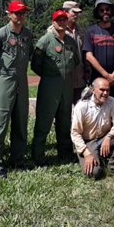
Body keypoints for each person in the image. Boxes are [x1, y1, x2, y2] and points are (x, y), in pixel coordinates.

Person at [0, 0, 34, 178]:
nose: (21, 16)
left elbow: (30, 55)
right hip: (4, 80)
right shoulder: (0, 35)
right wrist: (2, 74)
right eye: (17, 13)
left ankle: (18, 159)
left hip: (22, 80)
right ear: (9, 14)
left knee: (20, 121)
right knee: (0, 121)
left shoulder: (27, 34)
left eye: (23, 13)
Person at [32, 10, 81, 166]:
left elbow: (76, 61)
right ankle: (38, 156)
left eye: (63, 20)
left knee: (64, 120)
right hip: (49, 85)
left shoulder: (71, 42)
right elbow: (35, 65)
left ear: (67, 22)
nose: (61, 22)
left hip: (67, 86)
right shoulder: (44, 41)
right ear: (52, 22)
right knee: (44, 121)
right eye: (57, 20)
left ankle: (65, 153)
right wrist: (49, 75)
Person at [70, 78, 114, 179]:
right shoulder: (82, 106)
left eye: (107, 90)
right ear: (93, 90)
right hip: (88, 142)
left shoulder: (112, 101)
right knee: (93, 173)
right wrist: (86, 154)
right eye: (102, 90)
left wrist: (108, 137)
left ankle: (113, 167)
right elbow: (75, 133)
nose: (105, 93)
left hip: (104, 137)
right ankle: (95, 159)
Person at [83, 0, 114, 104]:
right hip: (97, 78)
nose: (105, 12)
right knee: (97, 108)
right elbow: (88, 56)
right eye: (101, 10)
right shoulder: (91, 31)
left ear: (111, 11)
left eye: (107, 9)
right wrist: (106, 75)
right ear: (97, 13)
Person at [48, 1, 87, 103]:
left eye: (78, 13)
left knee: (80, 109)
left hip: (79, 79)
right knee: (63, 111)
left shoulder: (80, 31)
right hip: (62, 79)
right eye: (74, 12)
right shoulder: (53, 31)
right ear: (65, 12)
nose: (76, 15)